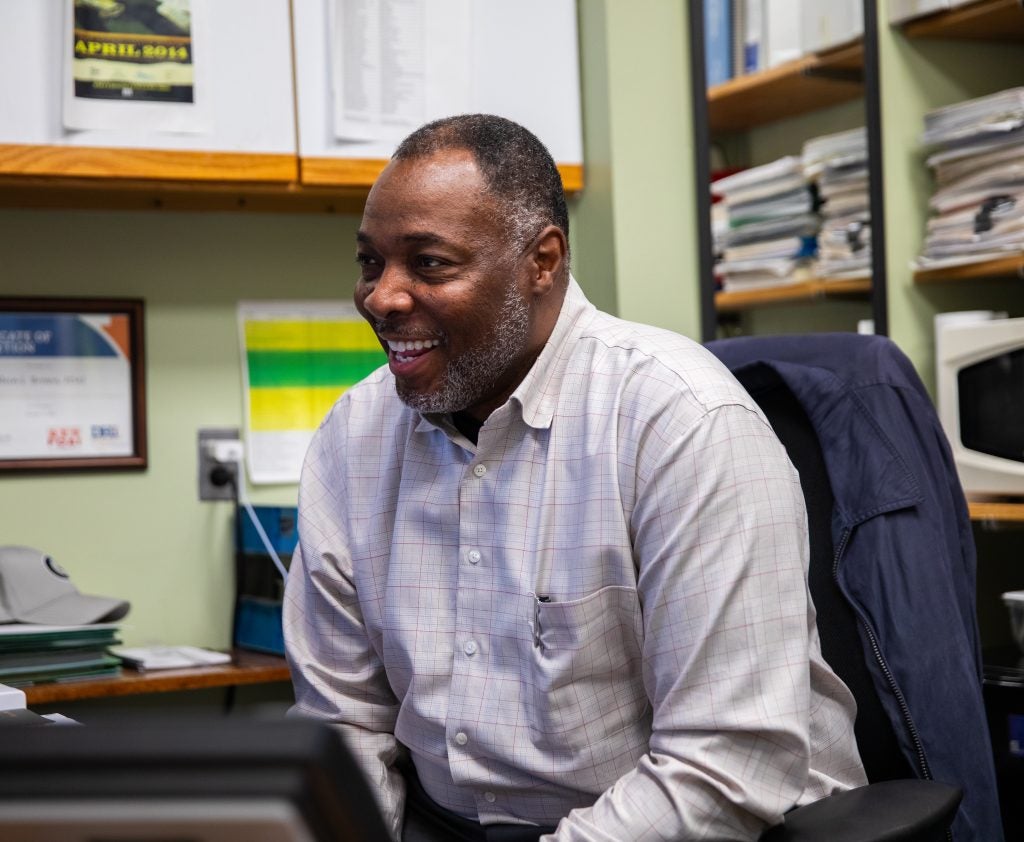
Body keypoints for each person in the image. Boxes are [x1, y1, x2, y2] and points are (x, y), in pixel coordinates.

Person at [283, 114, 867, 841]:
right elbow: (343, 725)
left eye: (428, 263)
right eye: (372, 263)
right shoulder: (354, 437)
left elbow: (725, 765)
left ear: (542, 260)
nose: (382, 297)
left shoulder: (680, 421)